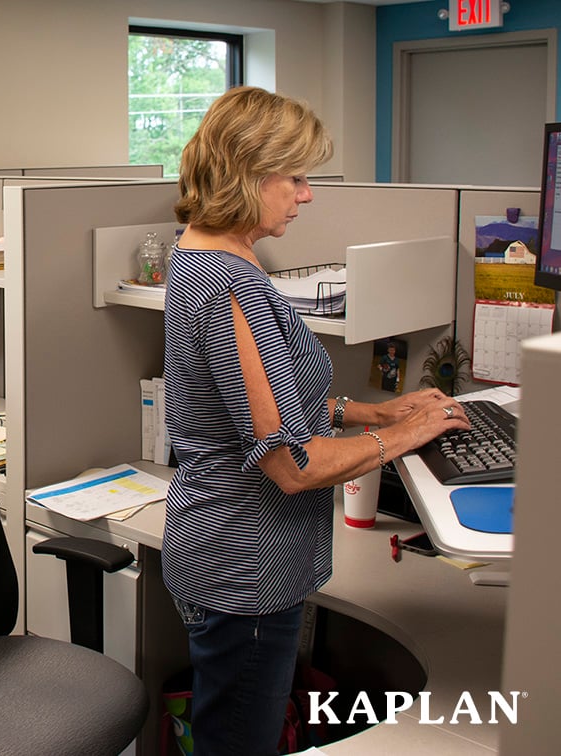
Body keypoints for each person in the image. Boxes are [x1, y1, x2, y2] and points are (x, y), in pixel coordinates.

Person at [162, 87, 471, 755]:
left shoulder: (202, 258)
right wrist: (402, 436)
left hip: (230, 553)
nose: (306, 195)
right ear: (250, 171)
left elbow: (258, 404)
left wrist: (375, 410)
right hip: (244, 570)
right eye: (296, 178)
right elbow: (291, 463)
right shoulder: (231, 287)